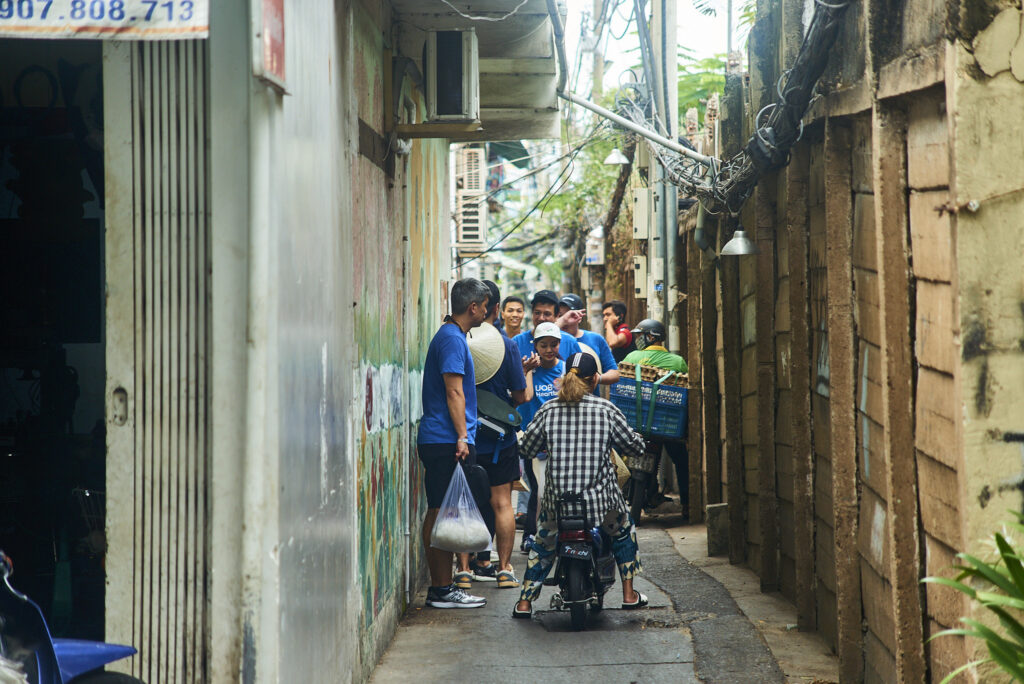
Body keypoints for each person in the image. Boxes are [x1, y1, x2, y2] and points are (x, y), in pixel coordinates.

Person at [512, 352, 649, 618]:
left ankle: (525, 603)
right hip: (600, 504)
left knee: (543, 543)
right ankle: (629, 595)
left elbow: (526, 448)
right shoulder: (607, 410)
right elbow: (634, 447)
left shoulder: (548, 409)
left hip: (557, 504)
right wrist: (637, 439)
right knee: (623, 530)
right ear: (595, 379)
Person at [417, 277, 491, 608]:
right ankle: (442, 589)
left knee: (442, 512)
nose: (487, 312)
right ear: (472, 307)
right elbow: (454, 391)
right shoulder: (451, 340)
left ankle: (443, 588)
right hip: (446, 440)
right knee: (440, 512)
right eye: (485, 306)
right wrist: (462, 435)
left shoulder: (452, 337)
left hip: (445, 439)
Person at [456, 280, 531, 590]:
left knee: (465, 502)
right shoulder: (508, 345)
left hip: (465, 437)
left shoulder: (458, 341)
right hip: (501, 441)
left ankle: (463, 570)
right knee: (502, 503)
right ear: (496, 309)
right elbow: (522, 396)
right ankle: (503, 569)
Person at [622, 319, 690, 514]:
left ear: (651, 337)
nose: (636, 340)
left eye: (639, 336)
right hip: (667, 424)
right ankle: (687, 503)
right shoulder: (677, 362)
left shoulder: (632, 357)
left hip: (636, 421)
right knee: (681, 459)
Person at [516, 321, 566, 553]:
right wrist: (526, 372)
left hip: (561, 440)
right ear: (535, 346)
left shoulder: (566, 370)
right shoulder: (528, 370)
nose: (548, 349)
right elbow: (526, 397)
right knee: (538, 489)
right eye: (543, 345)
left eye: (553, 345)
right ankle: (532, 535)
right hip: (533, 438)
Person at [557, 293, 620, 390]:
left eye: (570, 315)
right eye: (561, 316)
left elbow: (615, 373)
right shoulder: (552, 341)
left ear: (580, 317)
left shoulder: (596, 339)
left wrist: (598, 378)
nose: (565, 320)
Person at [512, 289, 583, 366]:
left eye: (547, 314)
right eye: (537, 313)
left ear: (557, 316)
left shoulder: (569, 342)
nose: (541, 318)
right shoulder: (517, 342)